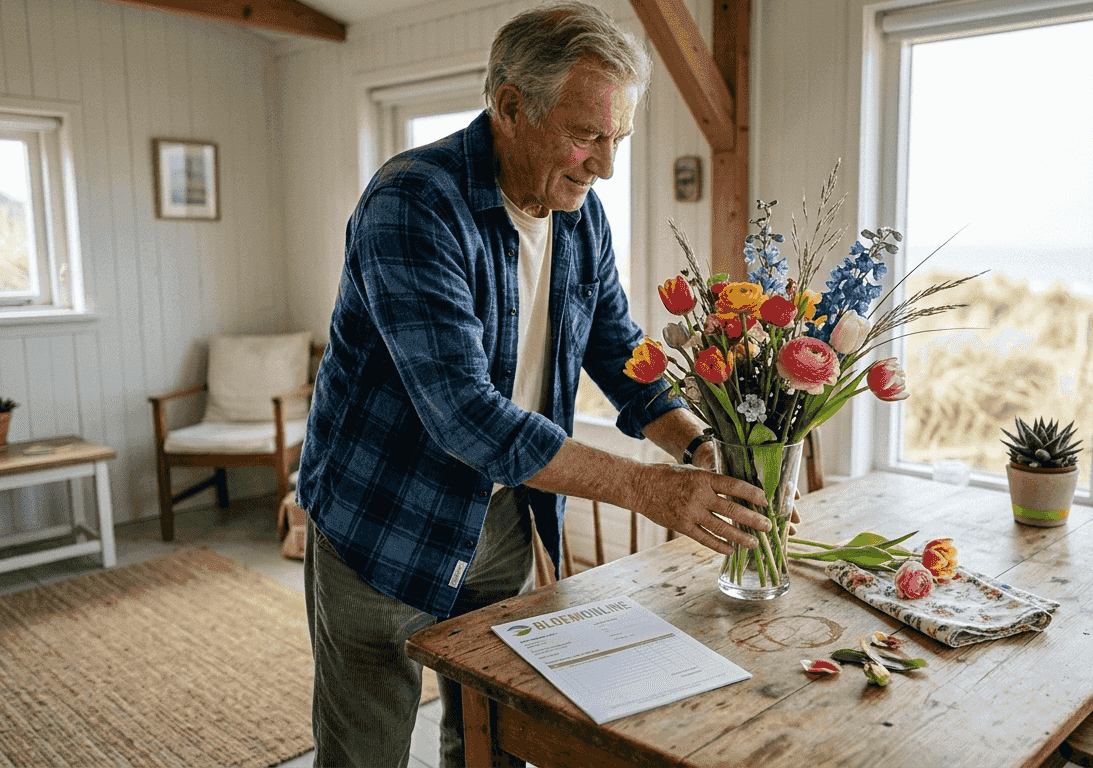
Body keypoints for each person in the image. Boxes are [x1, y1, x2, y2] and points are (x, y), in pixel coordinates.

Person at [294, 3, 772, 766]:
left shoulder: (579, 210)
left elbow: (618, 351)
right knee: (367, 752)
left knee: (490, 739)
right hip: (385, 520)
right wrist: (651, 491)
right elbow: (465, 417)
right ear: (511, 106)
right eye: (587, 136)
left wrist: (698, 445)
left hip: (506, 520)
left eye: (617, 139)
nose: (605, 166)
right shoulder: (412, 204)